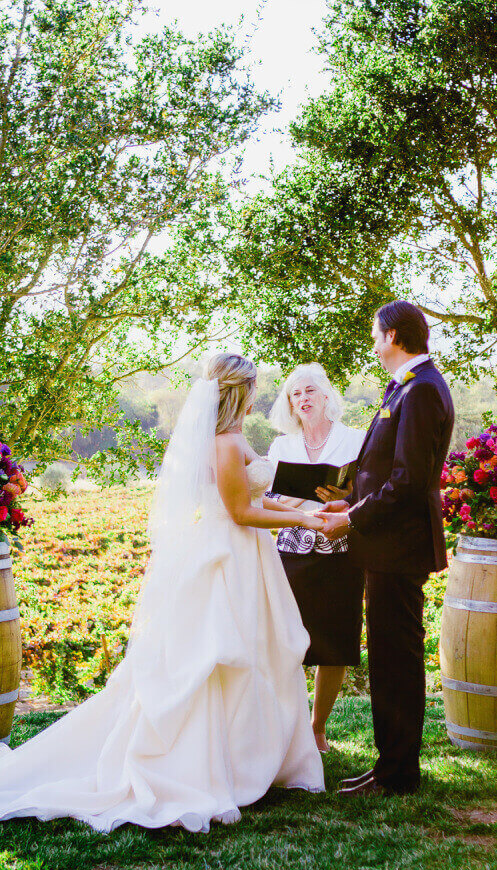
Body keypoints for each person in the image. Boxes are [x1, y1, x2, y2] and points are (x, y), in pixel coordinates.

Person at [0, 353, 324, 832]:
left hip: (247, 557)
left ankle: (246, 758)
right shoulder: (225, 441)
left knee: (251, 654)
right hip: (228, 554)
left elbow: (261, 496)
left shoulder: (233, 438)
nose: (259, 394)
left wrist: (315, 504)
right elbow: (239, 511)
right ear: (241, 390)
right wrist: (301, 519)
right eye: (255, 387)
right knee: (218, 659)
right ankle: (213, 765)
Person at [318, 301, 454, 796]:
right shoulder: (407, 388)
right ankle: (390, 765)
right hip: (387, 547)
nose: (373, 343)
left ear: (393, 336)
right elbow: (382, 470)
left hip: (398, 548)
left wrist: (353, 519)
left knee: (397, 660)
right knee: (390, 659)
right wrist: (348, 502)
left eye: (375, 335)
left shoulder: (419, 392)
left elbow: (408, 482)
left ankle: (398, 773)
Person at [267, 364, 366, 752]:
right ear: (290, 405)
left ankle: (317, 728)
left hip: (341, 551)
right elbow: (268, 498)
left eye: (310, 391)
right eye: (296, 394)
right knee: (285, 640)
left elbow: (366, 492)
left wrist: (345, 501)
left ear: (327, 395)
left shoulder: (356, 440)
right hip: (290, 552)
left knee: (335, 642)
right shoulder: (281, 447)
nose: (303, 399)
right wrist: (304, 506)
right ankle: (285, 727)